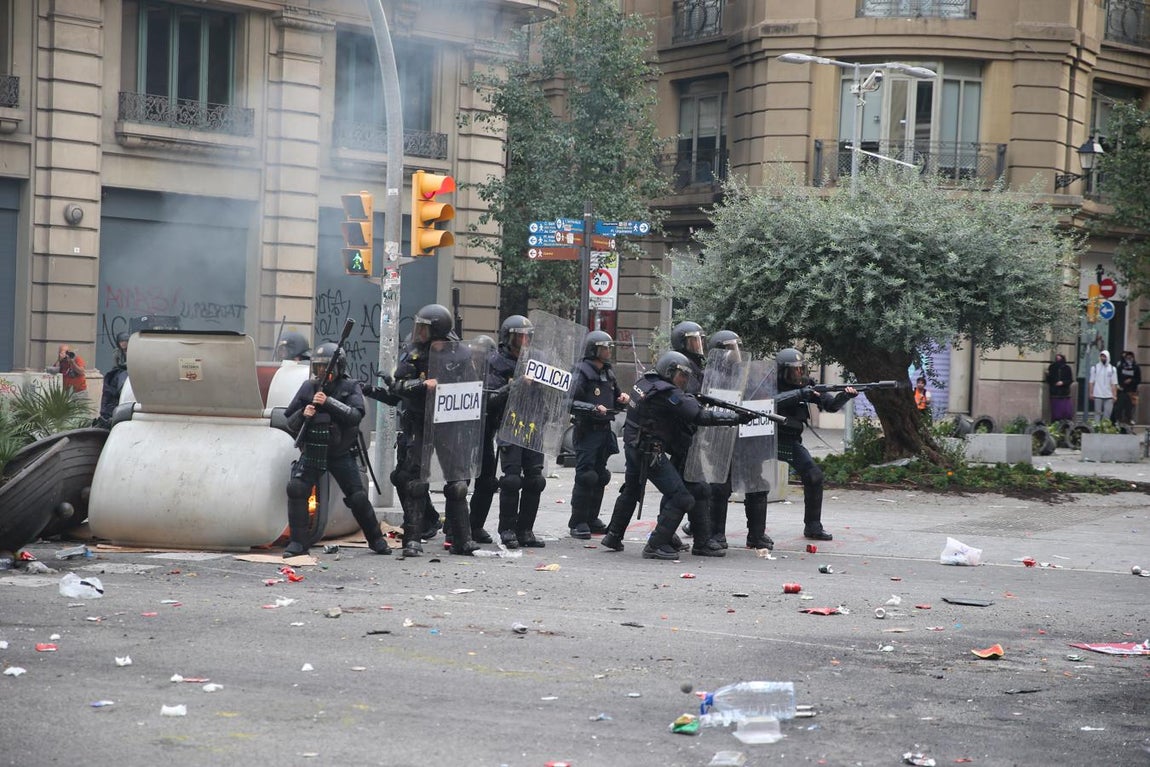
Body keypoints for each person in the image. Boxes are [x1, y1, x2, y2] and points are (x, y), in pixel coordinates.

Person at [627, 351, 755, 560]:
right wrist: (735, 418)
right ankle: (655, 544)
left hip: (669, 448)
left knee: (699, 490)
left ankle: (702, 542)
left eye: (687, 376)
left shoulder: (654, 384)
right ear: (669, 372)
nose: (684, 380)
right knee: (681, 497)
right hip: (652, 451)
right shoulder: (666, 392)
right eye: (681, 375)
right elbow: (699, 416)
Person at [282, 342, 390, 558]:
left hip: (340, 452)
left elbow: (355, 416)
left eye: (327, 367)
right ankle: (298, 543)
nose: (322, 371)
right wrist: (304, 413)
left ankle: (377, 540)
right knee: (296, 488)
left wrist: (328, 402)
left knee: (357, 497)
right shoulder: (308, 387)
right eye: (318, 367)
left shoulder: (350, 387)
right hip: (313, 450)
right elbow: (289, 421)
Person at [389, 304, 480, 557]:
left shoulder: (461, 353)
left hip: (449, 423)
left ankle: (462, 539)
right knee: (415, 482)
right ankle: (413, 540)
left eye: (424, 328)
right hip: (419, 421)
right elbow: (397, 385)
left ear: (438, 330)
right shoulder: (413, 352)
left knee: (458, 483)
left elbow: (473, 387)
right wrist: (421, 384)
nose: (419, 332)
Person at [698, 330, 775, 551]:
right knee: (720, 486)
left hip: (748, 440)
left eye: (738, 347)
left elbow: (763, 395)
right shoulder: (709, 375)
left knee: (757, 484)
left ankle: (756, 535)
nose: (736, 353)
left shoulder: (748, 374)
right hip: (720, 439)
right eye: (731, 348)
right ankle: (716, 534)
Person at [774, 348, 856, 542]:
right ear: (782, 372)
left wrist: (844, 396)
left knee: (814, 476)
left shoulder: (807, 386)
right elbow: (770, 402)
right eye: (793, 371)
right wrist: (800, 394)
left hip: (789, 440)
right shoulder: (769, 385)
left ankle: (813, 526)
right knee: (737, 482)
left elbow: (830, 405)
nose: (798, 374)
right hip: (764, 438)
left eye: (801, 369)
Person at [480, 315, 547, 548]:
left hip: (533, 425)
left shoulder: (537, 361)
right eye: (519, 336)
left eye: (527, 336)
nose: (524, 340)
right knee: (511, 480)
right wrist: (517, 383)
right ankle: (507, 530)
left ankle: (525, 530)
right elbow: (491, 398)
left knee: (535, 480)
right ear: (508, 337)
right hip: (509, 425)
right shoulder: (496, 362)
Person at [567, 330, 629, 539]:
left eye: (609, 347)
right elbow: (569, 402)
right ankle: (578, 522)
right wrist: (592, 409)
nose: (608, 351)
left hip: (604, 430)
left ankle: (592, 518)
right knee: (586, 476)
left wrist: (622, 399)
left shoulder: (608, 372)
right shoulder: (581, 371)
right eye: (604, 348)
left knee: (600, 476)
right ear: (593, 350)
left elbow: (615, 396)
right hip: (587, 430)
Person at [96, 333, 130, 428]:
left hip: (131, 371)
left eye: (125, 341)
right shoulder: (117, 352)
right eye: (121, 342)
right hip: (119, 372)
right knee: (110, 382)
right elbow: (116, 365)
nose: (123, 344)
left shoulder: (133, 351)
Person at [1088, 350, 1118, 425]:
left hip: (1109, 395)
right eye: (1102, 356)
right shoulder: (1095, 368)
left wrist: (1114, 395)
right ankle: (1096, 428)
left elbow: (1114, 383)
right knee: (1097, 413)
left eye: (1104, 356)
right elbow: (1091, 382)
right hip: (1097, 394)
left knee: (1107, 414)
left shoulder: (1112, 369)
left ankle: (1104, 428)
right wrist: (1091, 393)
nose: (1103, 358)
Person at [1113, 350, 1141, 426]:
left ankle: (1129, 421)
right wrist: (1119, 385)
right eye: (1127, 358)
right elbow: (1117, 377)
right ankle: (1119, 421)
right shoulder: (1121, 366)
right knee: (1120, 407)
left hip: (1132, 391)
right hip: (1122, 390)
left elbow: (1138, 379)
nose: (1129, 359)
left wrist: (1131, 380)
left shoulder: (1136, 367)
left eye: (1130, 358)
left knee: (1130, 408)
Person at [1045, 353, 1075, 423]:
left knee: (1066, 411)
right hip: (1055, 392)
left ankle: (1066, 423)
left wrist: (1063, 382)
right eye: (1057, 359)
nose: (1058, 360)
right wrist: (1048, 375)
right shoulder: (1052, 367)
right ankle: (1056, 423)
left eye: (1059, 358)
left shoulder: (1067, 368)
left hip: (1064, 393)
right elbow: (1049, 380)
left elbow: (1070, 380)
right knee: (1056, 412)